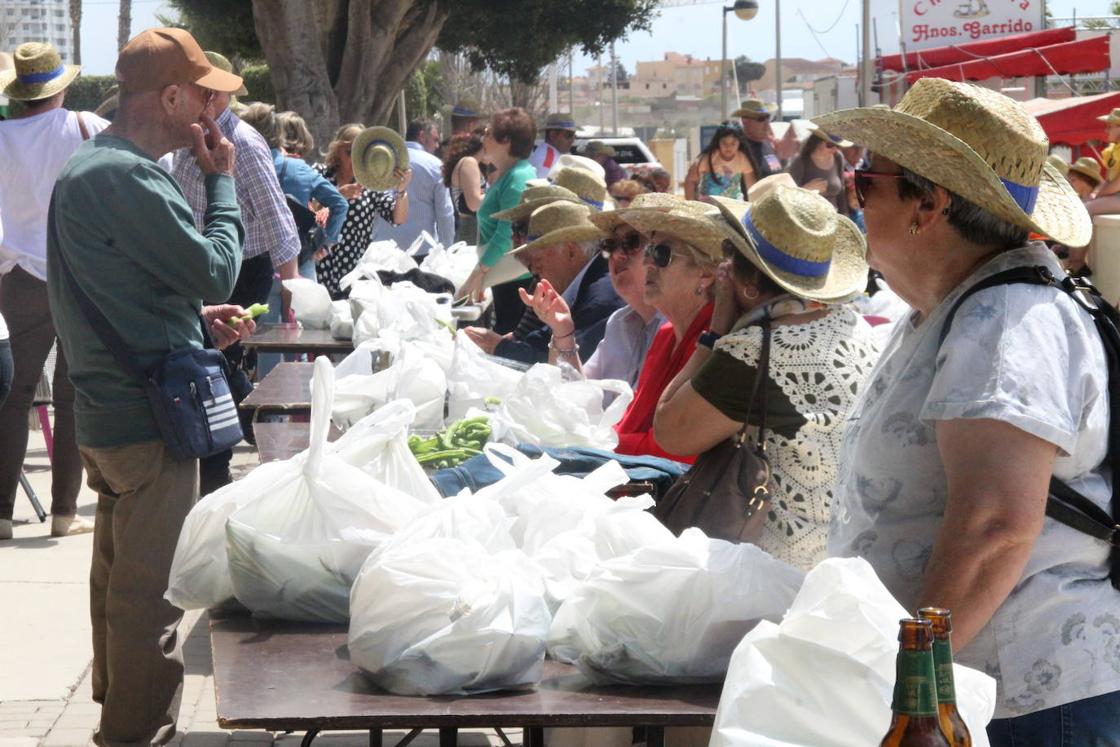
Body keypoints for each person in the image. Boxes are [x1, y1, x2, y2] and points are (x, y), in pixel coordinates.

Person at [815, 78, 1119, 744]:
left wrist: (917, 701)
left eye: (865, 184)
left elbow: (994, 527)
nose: (854, 202)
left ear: (929, 203)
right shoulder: (965, 307)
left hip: (1019, 705)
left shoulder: (1002, 320)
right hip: (991, 694)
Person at [45, 27, 253, 746]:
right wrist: (221, 181)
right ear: (168, 98)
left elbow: (118, 285)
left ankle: (118, 715)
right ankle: (133, 732)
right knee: (149, 595)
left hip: (114, 412)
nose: (212, 113)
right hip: (147, 422)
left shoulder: (93, 167)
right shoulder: (127, 176)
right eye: (202, 96)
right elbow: (216, 266)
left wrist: (190, 321)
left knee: (118, 581)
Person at [654, 185, 878, 569]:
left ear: (750, 283)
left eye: (729, 256)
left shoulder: (756, 352)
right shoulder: (857, 327)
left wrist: (714, 334)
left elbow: (669, 430)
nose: (722, 269)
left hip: (773, 569)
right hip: (848, 555)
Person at [169, 51, 303, 495]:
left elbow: (278, 222)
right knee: (210, 369)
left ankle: (227, 466)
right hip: (202, 267)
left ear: (215, 95)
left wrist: (291, 293)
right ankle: (248, 453)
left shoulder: (243, 142)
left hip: (241, 271)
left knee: (216, 371)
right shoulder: (189, 137)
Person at [0, 41, 108, 539]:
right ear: (60, 88)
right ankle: (65, 511)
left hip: (17, 276)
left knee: (12, 396)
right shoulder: (87, 128)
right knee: (72, 395)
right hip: (79, 273)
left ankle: (2, 512)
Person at [601, 200, 724, 462]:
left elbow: (680, 449)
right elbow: (632, 421)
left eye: (661, 254)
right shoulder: (667, 334)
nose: (647, 263)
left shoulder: (717, 344)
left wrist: (601, 444)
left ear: (705, 274)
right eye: (648, 250)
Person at [523, 193, 671, 388]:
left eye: (632, 242)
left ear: (663, 254)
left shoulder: (676, 327)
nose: (617, 254)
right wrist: (562, 331)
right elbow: (578, 394)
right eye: (611, 245)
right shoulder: (620, 322)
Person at [469, 202, 621, 364]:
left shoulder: (600, 299)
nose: (534, 269)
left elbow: (564, 366)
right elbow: (544, 339)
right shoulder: (585, 281)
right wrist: (502, 344)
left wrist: (498, 346)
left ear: (571, 252)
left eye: (538, 259)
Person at [298, 123, 410, 298]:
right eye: (349, 152)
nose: (353, 160)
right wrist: (336, 197)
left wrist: (401, 190)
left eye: (360, 155)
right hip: (319, 267)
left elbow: (398, 218)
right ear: (337, 150)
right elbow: (304, 210)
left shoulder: (371, 186)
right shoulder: (320, 175)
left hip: (352, 276)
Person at [238, 103, 350, 276]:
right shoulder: (298, 169)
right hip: (298, 263)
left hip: (249, 266)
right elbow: (340, 204)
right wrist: (324, 243)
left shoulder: (236, 167)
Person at [460, 107, 538, 333]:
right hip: (507, 277)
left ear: (505, 141)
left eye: (488, 133)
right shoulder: (511, 175)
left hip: (515, 280)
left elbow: (506, 235)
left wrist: (478, 274)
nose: (482, 139)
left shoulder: (517, 178)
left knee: (509, 339)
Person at [378, 119, 454, 252]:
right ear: (422, 136)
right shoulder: (435, 166)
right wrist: (447, 249)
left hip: (384, 250)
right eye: (435, 140)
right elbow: (445, 213)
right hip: (422, 250)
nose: (437, 146)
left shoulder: (382, 162)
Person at [786, 124, 853, 216]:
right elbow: (788, 196)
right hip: (808, 217)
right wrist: (807, 189)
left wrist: (845, 214)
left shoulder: (838, 157)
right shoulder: (801, 161)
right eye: (830, 145)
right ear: (817, 142)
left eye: (837, 146)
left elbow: (841, 191)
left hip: (833, 216)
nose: (834, 149)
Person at [684, 125, 755, 202]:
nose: (728, 147)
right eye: (724, 143)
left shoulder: (742, 159)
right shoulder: (708, 158)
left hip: (734, 204)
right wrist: (692, 203)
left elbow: (751, 187)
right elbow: (690, 180)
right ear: (718, 142)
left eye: (733, 143)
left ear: (739, 143)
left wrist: (753, 205)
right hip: (708, 204)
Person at [444, 127, 487, 244]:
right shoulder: (469, 162)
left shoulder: (474, 164)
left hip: (470, 228)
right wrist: (500, 193)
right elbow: (474, 204)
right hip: (472, 229)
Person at [733, 99, 782, 179]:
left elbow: (776, 170)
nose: (767, 123)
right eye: (761, 119)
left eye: (767, 117)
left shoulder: (768, 144)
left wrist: (782, 157)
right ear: (745, 120)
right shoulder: (736, 148)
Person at [1086, 107, 1120, 215]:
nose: (1106, 130)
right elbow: (1108, 180)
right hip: (1115, 196)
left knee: (1084, 210)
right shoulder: (1113, 150)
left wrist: (1098, 195)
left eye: (1110, 127)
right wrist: (1095, 193)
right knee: (1082, 204)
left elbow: (1117, 184)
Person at [530, 112, 578, 178]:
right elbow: (543, 183)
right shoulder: (547, 159)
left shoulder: (550, 154)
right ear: (552, 135)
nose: (572, 141)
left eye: (574, 136)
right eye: (569, 135)